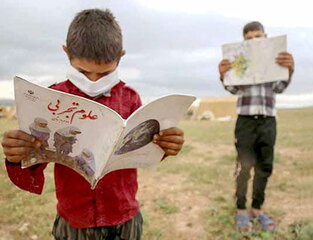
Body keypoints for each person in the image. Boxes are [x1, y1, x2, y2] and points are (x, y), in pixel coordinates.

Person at [1, 9, 185, 240]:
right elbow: (33, 163)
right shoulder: (52, 99)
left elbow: (143, 150)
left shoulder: (130, 98)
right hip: (74, 220)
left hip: (124, 216)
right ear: (66, 52)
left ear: (121, 56)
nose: (93, 81)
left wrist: (166, 145)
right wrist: (17, 154)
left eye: (105, 73)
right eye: (83, 71)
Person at [218, 21, 295, 233]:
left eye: (258, 37)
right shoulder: (239, 60)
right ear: (244, 41)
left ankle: (257, 208)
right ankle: (241, 209)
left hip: (268, 120)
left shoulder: (274, 59)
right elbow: (233, 88)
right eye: (249, 38)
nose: (254, 41)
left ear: (265, 37)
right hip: (245, 120)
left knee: (265, 167)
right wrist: (224, 74)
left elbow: (279, 87)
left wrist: (289, 69)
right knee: (244, 167)